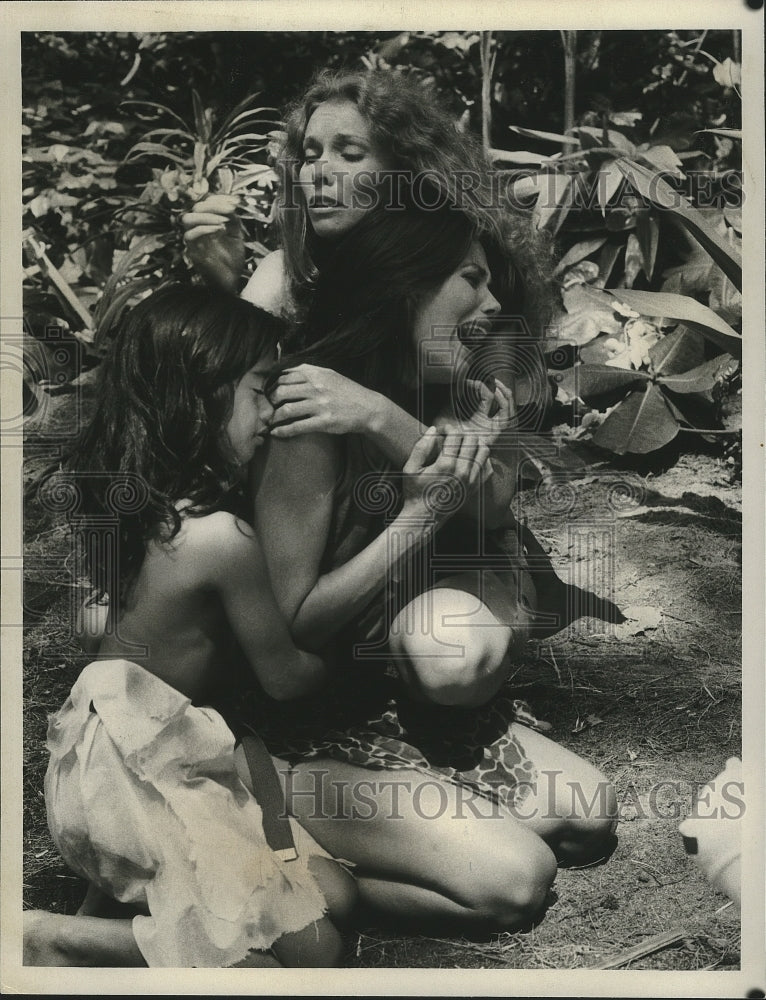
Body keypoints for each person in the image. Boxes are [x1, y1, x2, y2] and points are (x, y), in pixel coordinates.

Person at [214, 205, 620, 937]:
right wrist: (418, 521)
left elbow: (492, 503)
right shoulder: (306, 422)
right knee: (516, 882)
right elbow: (299, 619)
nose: (492, 305)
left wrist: (381, 417)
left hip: (387, 703)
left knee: (590, 818)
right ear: (404, 289)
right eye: (471, 280)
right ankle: (313, 869)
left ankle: (415, 814)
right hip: (298, 731)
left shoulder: (452, 387)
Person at [23, 286, 371, 968]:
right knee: (314, 950)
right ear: (205, 395)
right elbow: (287, 680)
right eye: (259, 391)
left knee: (335, 895)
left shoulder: (126, 506)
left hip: (99, 761)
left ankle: (142, 896)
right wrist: (350, 653)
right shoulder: (221, 540)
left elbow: (95, 624)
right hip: (139, 779)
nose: (272, 413)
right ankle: (44, 936)